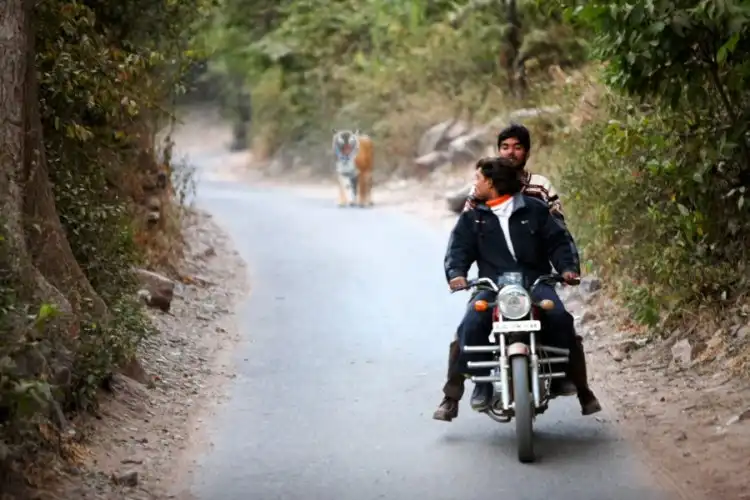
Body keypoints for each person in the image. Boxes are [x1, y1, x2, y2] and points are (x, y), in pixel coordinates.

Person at [434, 155, 602, 422]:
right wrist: (457, 275)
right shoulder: (473, 217)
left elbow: (559, 241)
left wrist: (568, 268)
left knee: (560, 317)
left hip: (535, 282)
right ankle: (465, 389)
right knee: (470, 324)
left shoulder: (535, 210)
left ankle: (577, 386)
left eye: (478, 178)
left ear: (492, 182)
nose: (474, 184)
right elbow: (458, 249)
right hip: (492, 285)